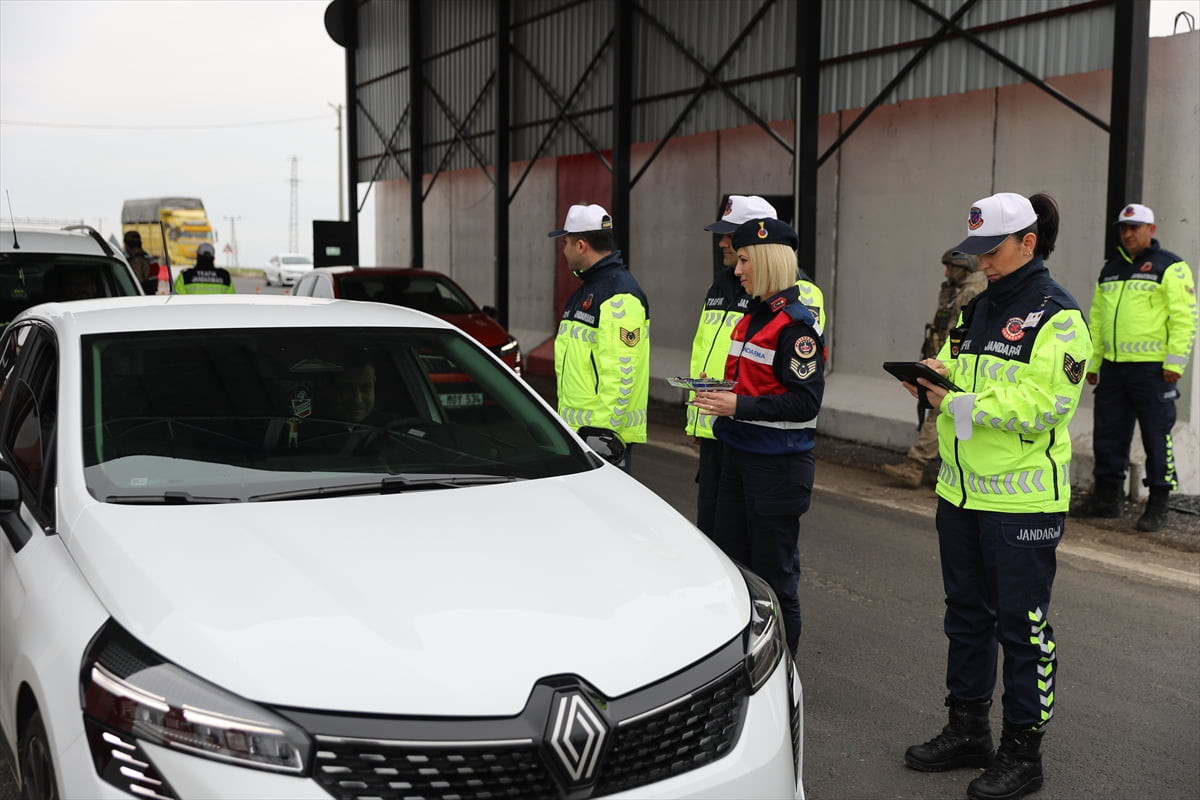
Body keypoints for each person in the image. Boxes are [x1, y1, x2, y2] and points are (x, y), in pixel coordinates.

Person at [897, 192, 1089, 800]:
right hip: (960, 492)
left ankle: (1023, 753)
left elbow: (1047, 405)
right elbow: (963, 370)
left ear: (1028, 243)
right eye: (976, 250)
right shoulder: (980, 309)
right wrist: (933, 375)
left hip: (1022, 503)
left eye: (993, 250)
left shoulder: (1059, 315)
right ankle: (968, 729)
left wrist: (956, 402)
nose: (982, 261)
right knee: (966, 618)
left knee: (1022, 628)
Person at [693, 217, 824, 655]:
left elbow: (805, 403)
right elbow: (752, 384)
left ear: (767, 262)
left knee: (775, 581)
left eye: (745, 260)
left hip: (777, 468)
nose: (737, 270)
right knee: (735, 571)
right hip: (737, 455)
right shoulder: (751, 318)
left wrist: (738, 406)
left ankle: (782, 674)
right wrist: (718, 394)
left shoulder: (795, 327)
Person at [687, 195, 827, 534]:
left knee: (760, 552)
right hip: (721, 424)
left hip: (763, 438)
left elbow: (798, 386)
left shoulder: (798, 298)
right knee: (715, 536)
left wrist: (738, 403)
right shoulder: (723, 284)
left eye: (732, 236)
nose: (724, 243)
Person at [1074, 202, 1197, 532]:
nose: (1128, 233)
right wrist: (1094, 362)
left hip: (1154, 371)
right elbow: (1097, 320)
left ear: (1151, 230)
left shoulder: (1171, 267)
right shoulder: (1110, 269)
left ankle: (1158, 503)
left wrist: (1175, 363)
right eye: (1124, 228)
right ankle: (1107, 500)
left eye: (1136, 227)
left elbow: (1185, 319)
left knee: (1158, 438)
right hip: (1113, 369)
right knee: (1108, 435)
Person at [549, 203, 649, 471]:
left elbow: (621, 376)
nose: (563, 249)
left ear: (581, 245)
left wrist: (602, 437)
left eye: (566, 242)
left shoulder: (618, 295)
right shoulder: (587, 290)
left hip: (600, 440)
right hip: (578, 435)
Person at [882, 248, 987, 488]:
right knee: (937, 411)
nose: (946, 272)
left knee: (938, 411)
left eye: (951, 267)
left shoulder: (972, 291)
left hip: (955, 362)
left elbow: (960, 332)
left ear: (964, 267)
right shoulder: (957, 289)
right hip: (945, 357)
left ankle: (915, 466)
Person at [123, 230, 159, 294]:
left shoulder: (136, 261)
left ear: (127, 245)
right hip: (151, 296)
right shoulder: (149, 258)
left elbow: (136, 282)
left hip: (141, 298)